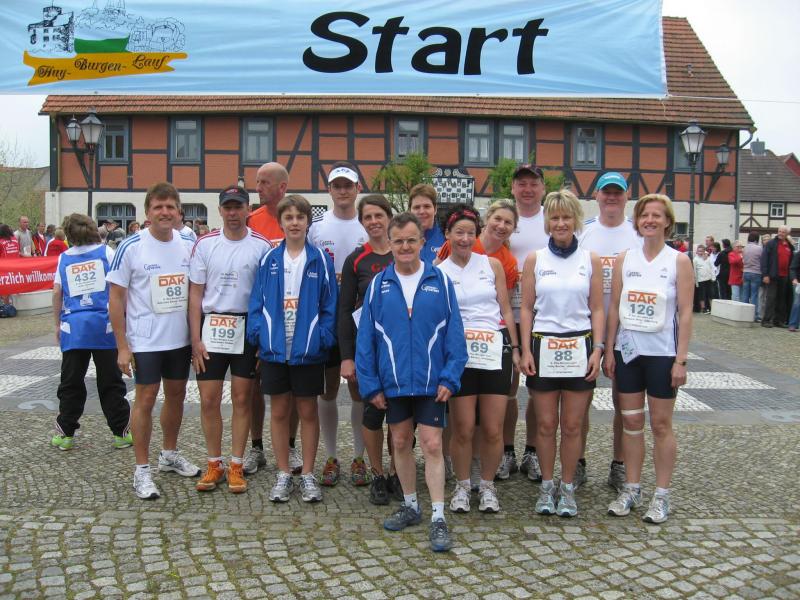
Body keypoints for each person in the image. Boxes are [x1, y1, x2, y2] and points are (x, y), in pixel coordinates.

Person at [357, 212, 467, 552]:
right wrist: (371, 385)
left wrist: (450, 377)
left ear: (422, 242)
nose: (405, 246)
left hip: (432, 382)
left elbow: (455, 334)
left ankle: (438, 516)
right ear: (390, 244)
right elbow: (366, 341)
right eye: (399, 241)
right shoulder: (379, 284)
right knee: (401, 441)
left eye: (411, 240)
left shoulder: (441, 280)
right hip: (394, 382)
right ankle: (410, 505)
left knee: (432, 445)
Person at [107, 182, 201, 500]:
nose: (164, 212)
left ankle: (169, 454)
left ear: (178, 212)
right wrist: (122, 346)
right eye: (158, 206)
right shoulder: (131, 246)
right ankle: (142, 469)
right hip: (145, 340)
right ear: (148, 211)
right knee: (145, 399)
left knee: (176, 396)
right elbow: (116, 298)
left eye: (170, 206)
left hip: (179, 338)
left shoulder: (188, 243)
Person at [604, 193, 693, 524]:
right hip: (629, 353)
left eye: (657, 215)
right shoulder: (625, 259)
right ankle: (631, 488)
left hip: (662, 355)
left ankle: (662, 494)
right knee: (630, 422)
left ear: (667, 221)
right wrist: (609, 349)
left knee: (660, 424)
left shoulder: (678, 261)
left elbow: (686, 313)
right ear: (637, 221)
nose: (650, 220)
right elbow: (615, 307)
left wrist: (681, 360)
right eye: (644, 215)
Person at [247, 194, 338, 503]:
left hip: (308, 348)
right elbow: (256, 301)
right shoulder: (269, 259)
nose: (295, 222)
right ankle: (284, 472)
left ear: (308, 222)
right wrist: (259, 334)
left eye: (300, 217)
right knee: (279, 411)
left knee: (308, 410)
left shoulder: (320, 259)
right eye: (289, 217)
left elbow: (330, 303)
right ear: (281, 222)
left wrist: (323, 337)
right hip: (275, 348)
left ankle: (308, 473)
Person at [519, 190, 603, 518]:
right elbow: (526, 308)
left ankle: (567, 487)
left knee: (571, 425)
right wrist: (526, 349)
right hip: (544, 346)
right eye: (554, 217)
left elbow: (597, 308)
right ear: (547, 222)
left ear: (576, 220)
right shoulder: (535, 259)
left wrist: (598, 348)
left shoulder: (590, 259)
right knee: (544, 424)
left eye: (566, 217)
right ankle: (546, 485)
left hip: (579, 345)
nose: (561, 223)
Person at [189, 185, 272, 494]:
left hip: (246, 327)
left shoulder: (261, 245)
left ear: (248, 209)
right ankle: (214, 463)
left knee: (242, 398)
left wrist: (262, 340)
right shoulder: (205, 244)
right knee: (209, 399)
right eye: (228, 207)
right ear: (220, 210)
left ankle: (236, 464)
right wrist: (195, 339)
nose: (233, 213)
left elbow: (267, 296)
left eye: (238, 207)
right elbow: (195, 294)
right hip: (211, 327)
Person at [437, 206, 520, 514]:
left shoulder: (492, 265)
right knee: (462, 427)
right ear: (447, 234)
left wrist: (516, 347)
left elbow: (506, 308)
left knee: (493, 428)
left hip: (494, 349)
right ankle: (461, 485)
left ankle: (486, 485)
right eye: (458, 232)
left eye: (470, 233)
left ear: (477, 235)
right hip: (459, 354)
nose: (465, 238)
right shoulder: (439, 271)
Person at [578, 172, 641, 492]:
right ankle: (578, 462)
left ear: (627, 196)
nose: (612, 197)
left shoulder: (637, 233)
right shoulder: (583, 231)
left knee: (623, 402)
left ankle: (619, 464)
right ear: (597, 196)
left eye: (618, 192)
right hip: (586, 326)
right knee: (580, 402)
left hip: (626, 329)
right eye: (607, 192)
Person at [307, 162, 368, 486]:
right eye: (337, 185)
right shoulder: (317, 228)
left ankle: (359, 457)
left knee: (360, 390)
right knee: (328, 389)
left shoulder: (368, 223)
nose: (343, 191)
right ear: (329, 190)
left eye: (348, 185)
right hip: (329, 319)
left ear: (358, 188)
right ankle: (331, 457)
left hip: (361, 319)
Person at [49, 213, 131, 451]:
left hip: (74, 327)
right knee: (110, 381)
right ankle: (121, 432)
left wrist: (56, 324)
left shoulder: (64, 258)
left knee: (71, 381)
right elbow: (120, 288)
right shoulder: (107, 252)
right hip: (104, 326)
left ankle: (66, 433)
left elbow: (57, 292)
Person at [338, 195, 398, 504]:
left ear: (389, 217)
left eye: (379, 215)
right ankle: (377, 474)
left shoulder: (403, 252)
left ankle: (398, 472)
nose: (374, 221)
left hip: (401, 350)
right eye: (368, 217)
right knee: (373, 413)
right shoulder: (356, 260)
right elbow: (344, 310)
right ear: (362, 222)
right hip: (368, 351)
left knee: (401, 416)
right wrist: (347, 357)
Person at [243, 161, 293, 475]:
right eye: (257, 181)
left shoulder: (295, 217)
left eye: (264, 182)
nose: (257, 187)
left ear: (282, 187)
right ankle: (256, 446)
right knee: (253, 385)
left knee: (293, 388)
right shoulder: (252, 221)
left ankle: (290, 445)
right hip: (259, 315)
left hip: (293, 315)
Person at [501, 164, 550, 481]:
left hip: (543, 317)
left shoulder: (551, 218)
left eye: (533, 184)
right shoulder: (504, 218)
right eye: (522, 184)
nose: (528, 189)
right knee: (506, 389)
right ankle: (506, 450)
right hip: (507, 315)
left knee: (537, 389)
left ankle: (532, 451)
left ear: (543, 188)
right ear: (513, 188)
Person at [760, 226, 794, 328]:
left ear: (787, 234)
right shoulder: (771, 244)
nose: (780, 233)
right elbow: (764, 259)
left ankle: (778, 320)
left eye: (783, 232)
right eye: (779, 231)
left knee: (781, 299)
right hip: (773, 275)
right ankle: (766, 320)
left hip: (785, 276)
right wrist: (765, 274)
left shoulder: (789, 246)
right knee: (771, 298)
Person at [409, 183, 445, 263]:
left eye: (427, 206)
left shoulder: (447, 237)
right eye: (417, 207)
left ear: (435, 209)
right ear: (410, 211)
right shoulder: (401, 239)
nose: (422, 211)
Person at [741, 232, 762, 319]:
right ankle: (753, 315)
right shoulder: (759, 248)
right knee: (754, 295)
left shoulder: (745, 248)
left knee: (745, 294)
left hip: (746, 271)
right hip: (756, 272)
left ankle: (744, 314)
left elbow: (743, 260)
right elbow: (762, 260)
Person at [693, 245, 714, 313]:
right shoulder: (695, 260)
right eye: (699, 251)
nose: (700, 252)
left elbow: (711, 267)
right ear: (697, 251)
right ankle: (703, 308)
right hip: (700, 280)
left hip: (708, 279)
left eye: (702, 251)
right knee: (702, 295)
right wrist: (696, 282)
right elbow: (695, 271)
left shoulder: (708, 258)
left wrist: (713, 277)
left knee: (710, 294)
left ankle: (711, 308)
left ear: (704, 251)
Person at [788, 250, 800, 332]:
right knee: (797, 303)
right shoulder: (798, 254)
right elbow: (792, 268)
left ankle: (796, 324)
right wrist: (794, 279)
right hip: (798, 282)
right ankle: (792, 324)